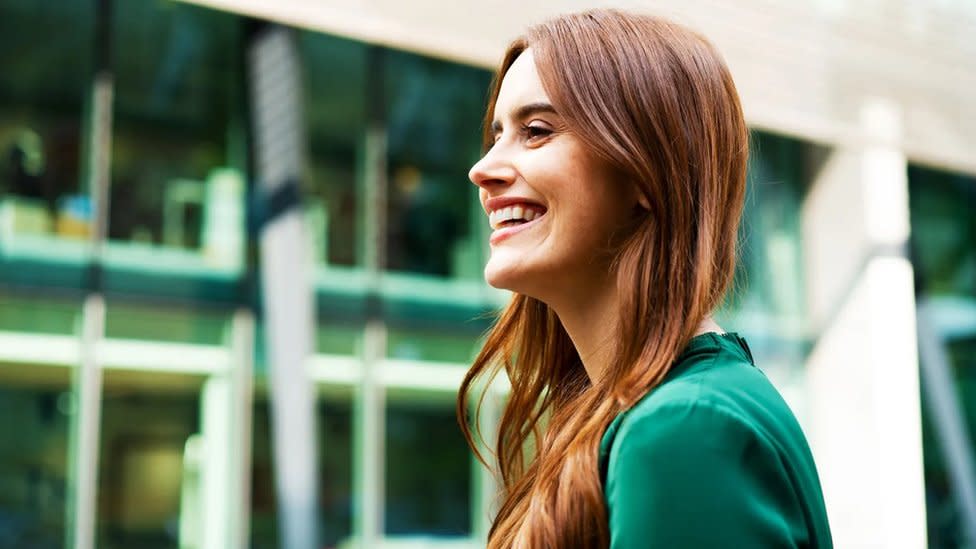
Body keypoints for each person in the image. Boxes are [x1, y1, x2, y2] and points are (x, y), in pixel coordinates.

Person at [456, 9, 833, 548]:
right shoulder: (677, 412)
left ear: (644, 171)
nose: (483, 168)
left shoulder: (686, 428)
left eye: (535, 131)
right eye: (497, 135)